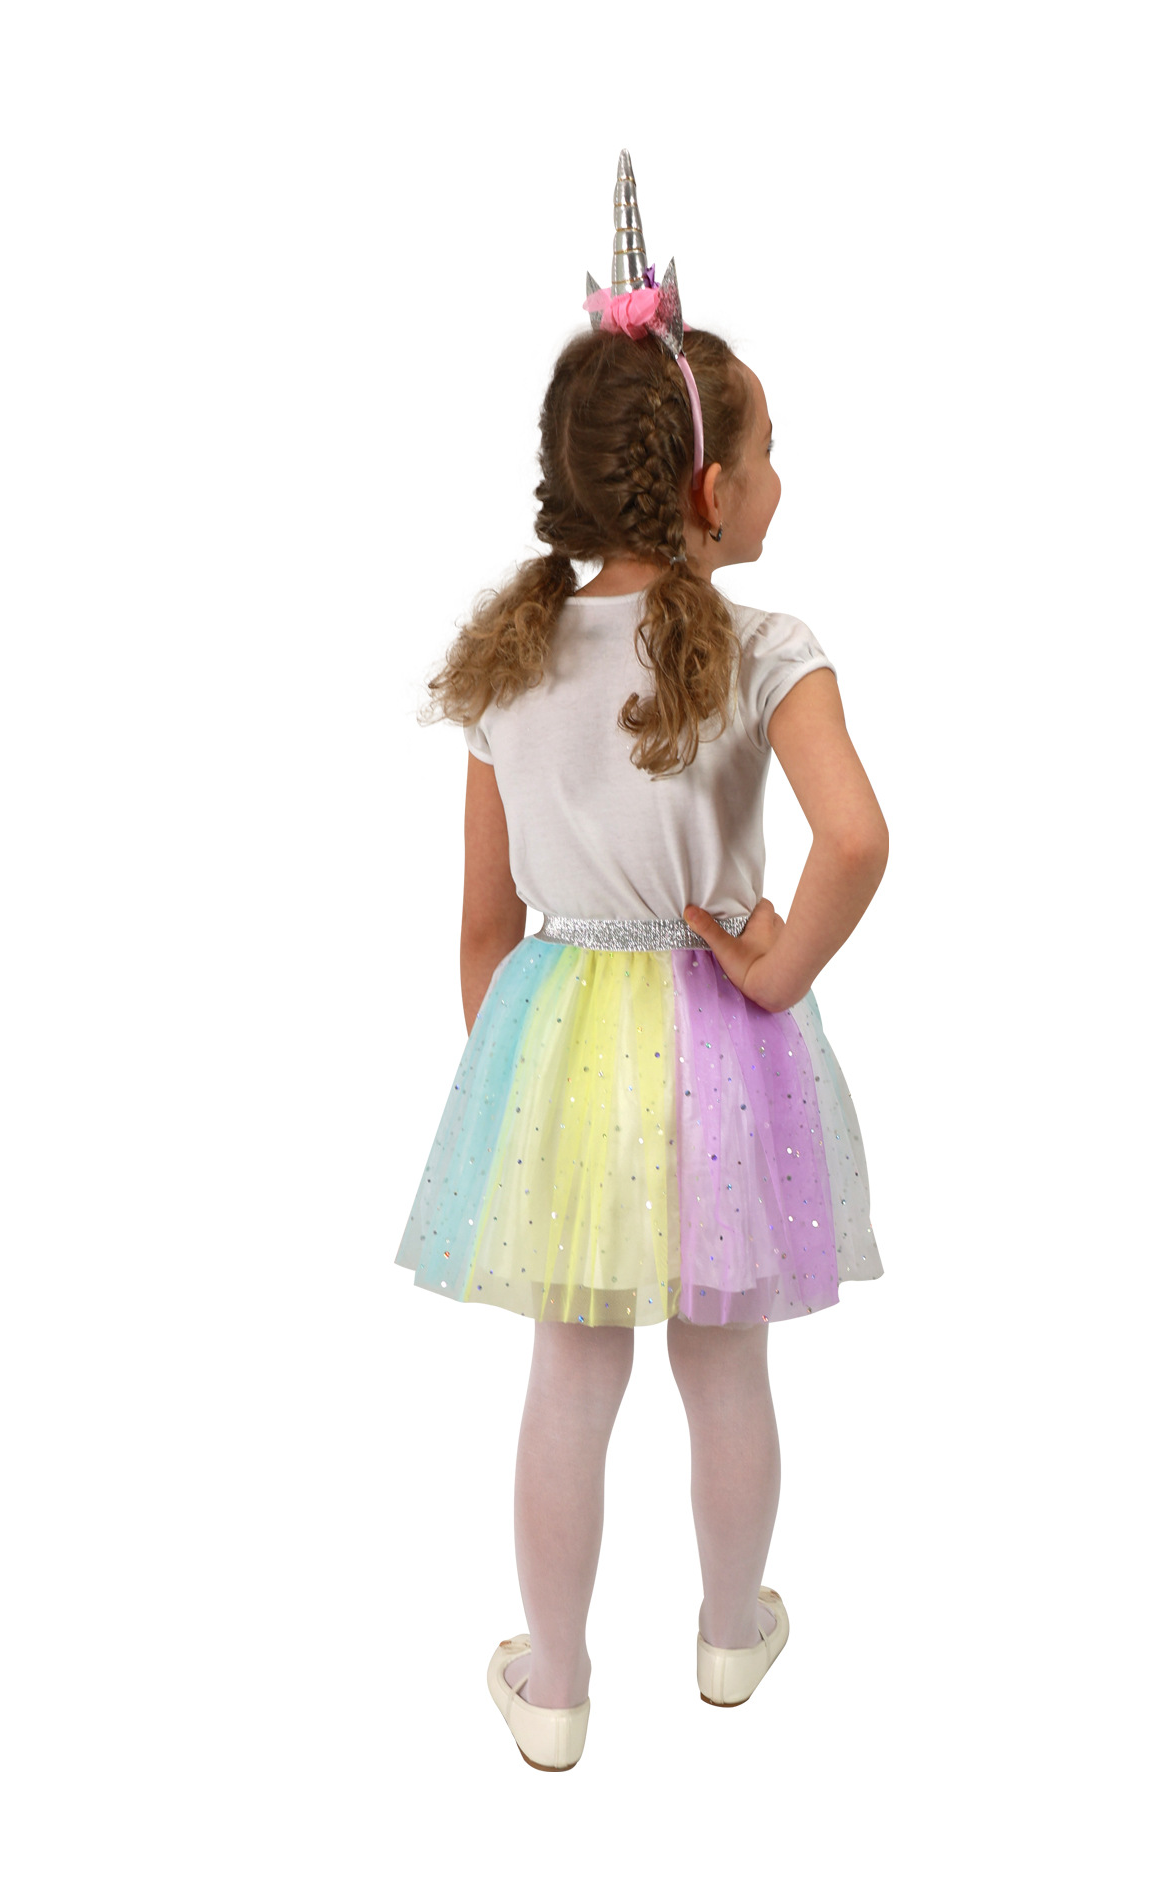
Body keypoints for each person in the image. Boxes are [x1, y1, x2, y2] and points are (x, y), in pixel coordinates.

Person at [394, 152, 889, 1771]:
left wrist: (520, 1088)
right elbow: (856, 839)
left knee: (571, 1376)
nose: (781, 479)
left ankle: (552, 1687)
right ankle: (734, 1634)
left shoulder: (506, 662)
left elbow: (484, 928)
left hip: (559, 1036)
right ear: (709, 490)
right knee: (724, 1364)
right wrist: (775, 971)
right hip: (720, 1040)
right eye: (769, 451)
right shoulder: (767, 652)